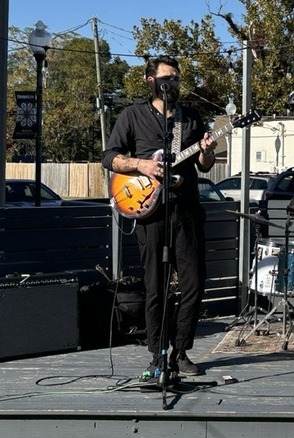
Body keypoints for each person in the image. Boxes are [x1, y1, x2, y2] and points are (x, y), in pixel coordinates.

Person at [101, 55, 216, 378]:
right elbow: (109, 158)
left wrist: (206, 152)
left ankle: (181, 351)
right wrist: (142, 165)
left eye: (177, 78)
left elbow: (204, 165)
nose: (173, 84)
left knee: (194, 283)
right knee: (155, 286)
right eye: (168, 78)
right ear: (151, 80)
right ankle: (157, 354)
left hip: (187, 210)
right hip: (151, 212)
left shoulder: (190, 118)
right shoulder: (132, 116)